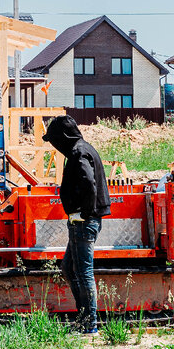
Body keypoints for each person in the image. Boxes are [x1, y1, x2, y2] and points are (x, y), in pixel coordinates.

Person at [43, 115, 111, 334]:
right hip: (83, 221)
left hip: (83, 221)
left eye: (54, 140)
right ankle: (84, 318)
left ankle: (89, 325)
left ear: (62, 137)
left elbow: (88, 183)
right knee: (69, 268)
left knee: (83, 272)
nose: (54, 145)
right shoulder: (83, 149)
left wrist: (83, 213)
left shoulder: (78, 152)